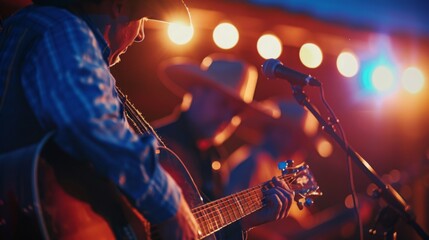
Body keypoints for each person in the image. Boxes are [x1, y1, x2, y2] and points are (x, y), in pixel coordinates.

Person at [0, 0, 294, 239]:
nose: (141, 34)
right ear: (118, 6)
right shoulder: (65, 30)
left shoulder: (37, 28)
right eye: (140, 18)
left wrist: (239, 223)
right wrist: (169, 205)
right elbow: (90, 124)